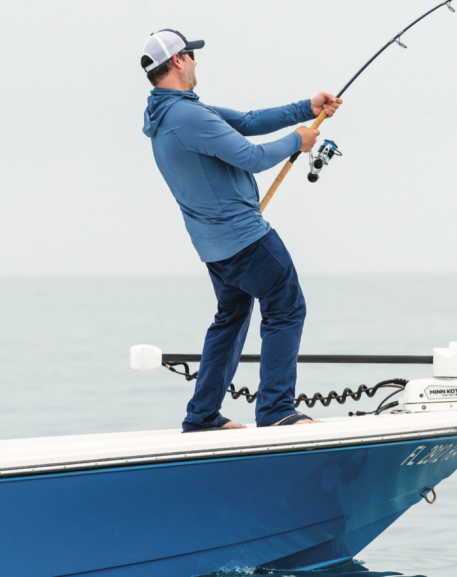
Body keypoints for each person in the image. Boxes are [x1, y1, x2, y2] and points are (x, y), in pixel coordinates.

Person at [139, 29, 341, 432]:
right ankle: (277, 410)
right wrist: (297, 141)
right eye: (191, 55)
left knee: (230, 318)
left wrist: (307, 107)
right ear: (177, 60)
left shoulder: (169, 114)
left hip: (214, 248)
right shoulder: (188, 117)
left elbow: (249, 121)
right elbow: (251, 158)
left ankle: (202, 416)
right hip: (246, 239)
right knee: (286, 308)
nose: (195, 61)